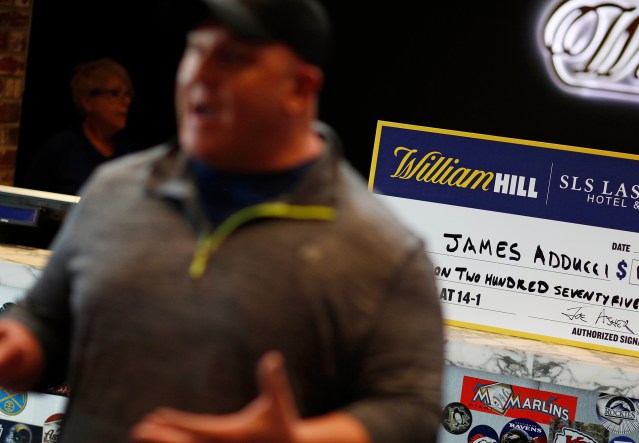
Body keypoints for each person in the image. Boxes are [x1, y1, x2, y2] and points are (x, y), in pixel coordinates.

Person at [0, 1, 445, 443]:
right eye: (196, 50)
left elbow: (409, 413)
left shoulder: (381, 250)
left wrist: (296, 439)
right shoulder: (114, 191)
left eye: (232, 58)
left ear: (299, 88)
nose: (200, 74)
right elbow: (47, 320)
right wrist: (21, 346)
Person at [18, 58, 142, 195]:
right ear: (87, 101)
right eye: (114, 93)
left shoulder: (131, 154)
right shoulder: (60, 150)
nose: (126, 101)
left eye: (127, 94)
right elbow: (29, 201)